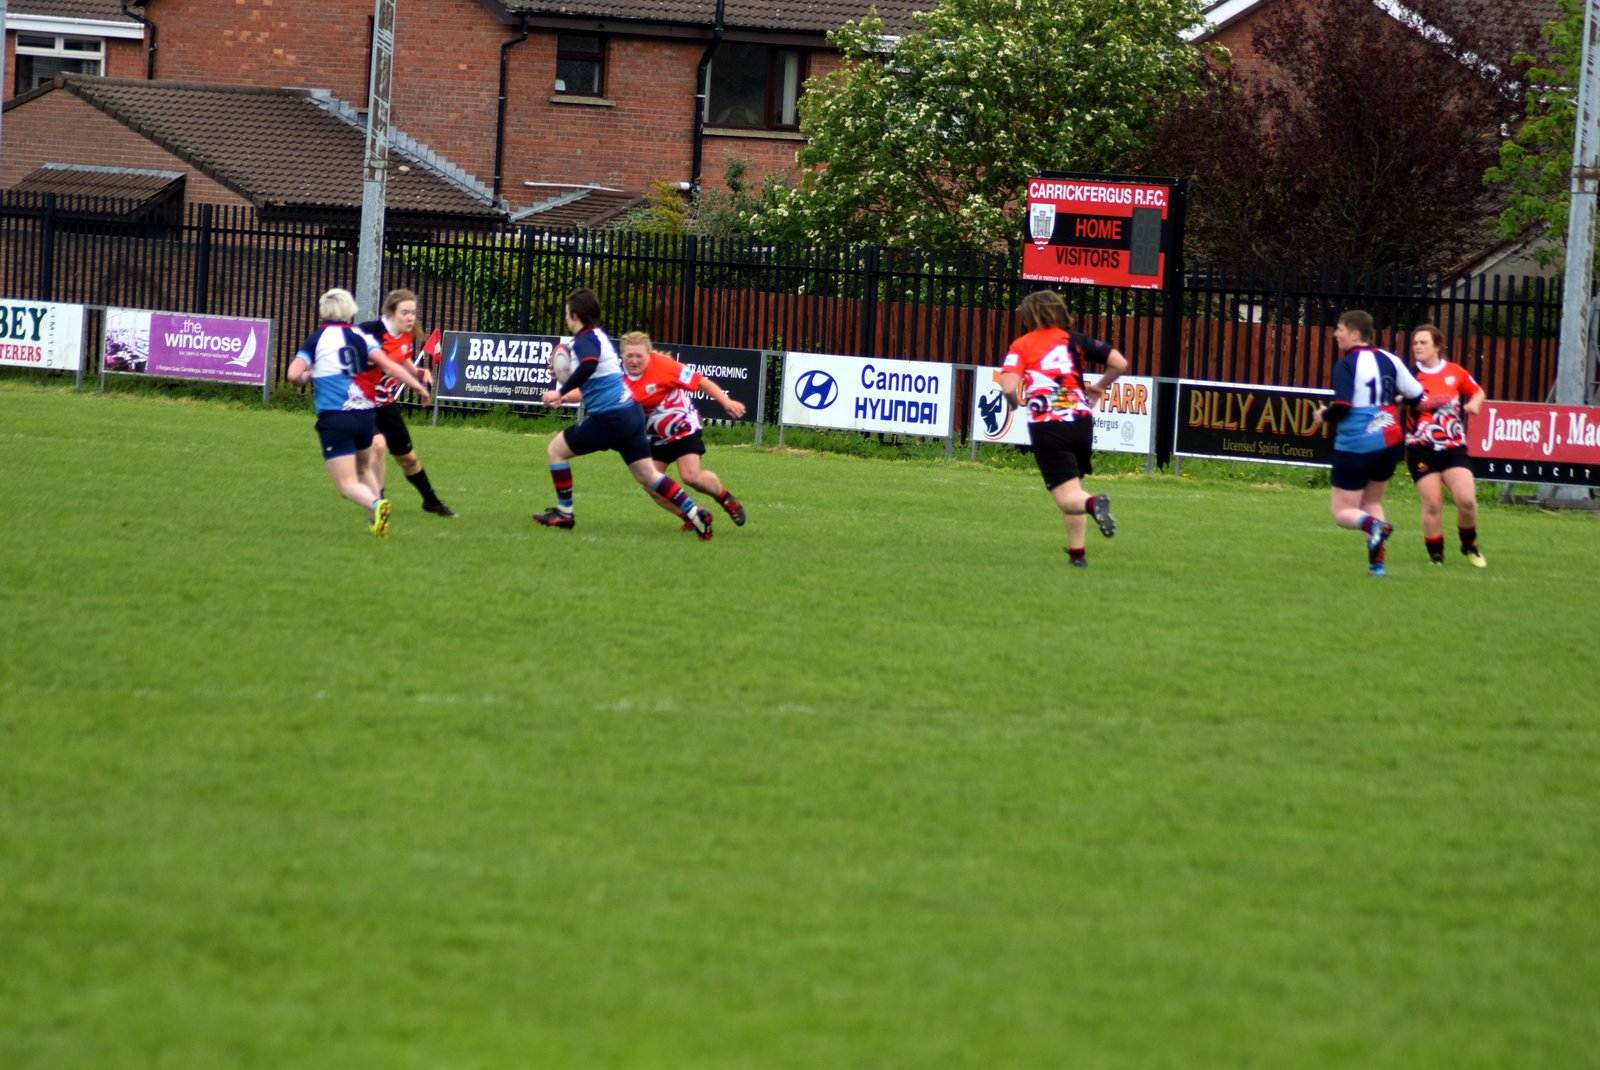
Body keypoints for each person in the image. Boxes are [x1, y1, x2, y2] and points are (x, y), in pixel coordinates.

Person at [531, 288, 714, 539]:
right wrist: (562, 371)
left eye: (566, 314)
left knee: (556, 451)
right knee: (648, 474)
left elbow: (589, 363)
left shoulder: (585, 340)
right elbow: (587, 365)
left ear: (574, 315)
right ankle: (695, 513)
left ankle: (565, 513)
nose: (566, 318)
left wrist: (560, 391)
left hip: (610, 419)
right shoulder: (598, 336)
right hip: (631, 413)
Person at [286, 287, 431, 538]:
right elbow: (389, 366)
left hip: (336, 417)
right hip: (364, 416)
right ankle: (377, 520)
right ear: (350, 311)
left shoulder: (317, 339)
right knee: (364, 470)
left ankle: (377, 504)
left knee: (347, 485)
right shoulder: (360, 336)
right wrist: (418, 386)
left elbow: (292, 375)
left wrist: (307, 377)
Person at [996, 289, 1126, 567]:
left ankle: (1094, 504)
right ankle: (1077, 556)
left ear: (1030, 316)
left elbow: (1008, 387)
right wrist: (1098, 387)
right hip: (1081, 421)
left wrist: (1014, 402)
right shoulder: (1075, 340)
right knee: (1073, 488)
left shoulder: (1022, 344)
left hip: (1049, 424)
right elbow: (1119, 363)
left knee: (1068, 499)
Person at [1311, 309, 1424, 577]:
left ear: (1355, 334)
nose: (1335, 334)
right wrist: (1394, 401)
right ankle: (1377, 566)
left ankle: (1374, 527)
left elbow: (1342, 406)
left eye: (1340, 329)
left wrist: (1323, 415)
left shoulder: (1347, 364)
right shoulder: (1390, 359)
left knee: (1343, 512)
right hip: (1389, 441)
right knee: (1372, 502)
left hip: (1357, 444)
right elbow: (1417, 395)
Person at [618, 331, 748, 528]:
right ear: (622, 356)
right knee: (651, 484)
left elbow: (701, 382)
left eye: (639, 356)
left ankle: (725, 498)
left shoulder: (665, 367)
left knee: (691, 476)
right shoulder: (616, 378)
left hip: (682, 428)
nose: (634, 361)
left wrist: (726, 402)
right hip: (655, 437)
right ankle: (693, 517)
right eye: (629, 356)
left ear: (649, 355)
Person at [357, 288, 455, 518]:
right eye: (405, 313)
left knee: (408, 459)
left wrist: (419, 372)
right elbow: (387, 367)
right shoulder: (370, 331)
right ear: (390, 313)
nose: (411, 318)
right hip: (360, 403)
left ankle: (431, 502)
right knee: (378, 446)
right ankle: (378, 506)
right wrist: (418, 388)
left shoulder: (404, 336)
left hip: (386, 405)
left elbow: (402, 363)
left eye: (413, 312)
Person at [1404, 324, 1486, 567]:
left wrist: (1474, 404)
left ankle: (1468, 545)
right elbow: (1396, 397)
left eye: (1423, 342)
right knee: (1432, 503)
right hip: (1420, 448)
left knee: (1467, 501)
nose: (1417, 347)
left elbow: (1477, 392)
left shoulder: (1454, 372)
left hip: (1452, 448)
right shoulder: (1408, 375)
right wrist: (1400, 398)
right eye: (1415, 343)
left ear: (1437, 346)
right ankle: (1436, 557)